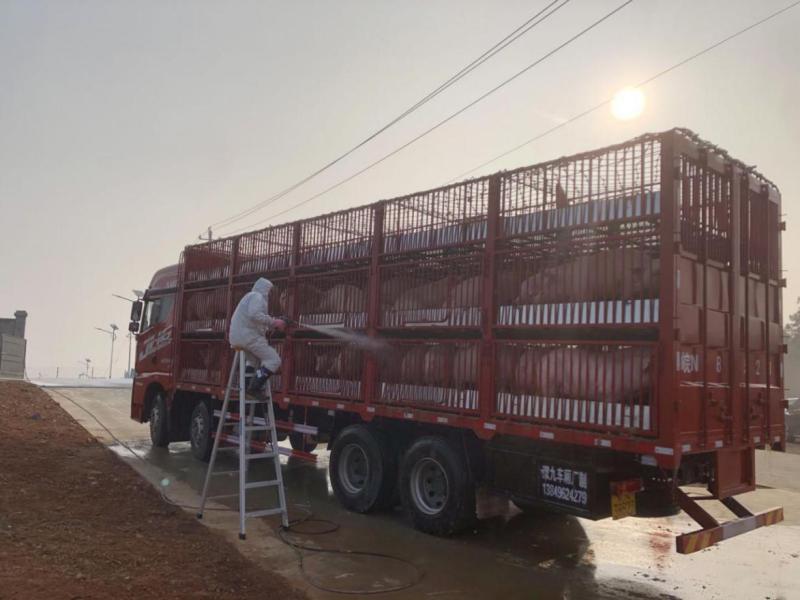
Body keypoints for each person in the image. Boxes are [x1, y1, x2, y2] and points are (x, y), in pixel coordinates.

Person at [229, 277, 286, 392]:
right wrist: (274, 322)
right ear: (265, 289)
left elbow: (255, 321)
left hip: (238, 337)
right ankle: (254, 387)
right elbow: (254, 315)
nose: (270, 295)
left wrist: (271, 325)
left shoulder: (249, 297)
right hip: (248, 337)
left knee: (253, 361)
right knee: (274, 360)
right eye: (270, 291)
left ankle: (246, 387)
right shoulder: (257, 297)